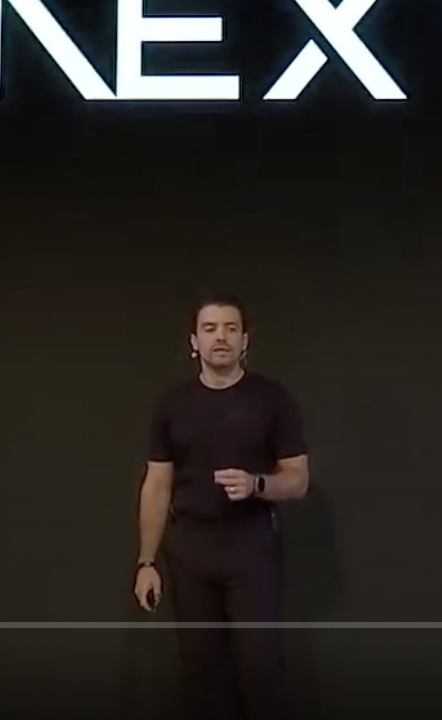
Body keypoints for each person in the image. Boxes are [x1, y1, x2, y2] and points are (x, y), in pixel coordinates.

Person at [134, 295, 310, 720]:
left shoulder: (271, 399)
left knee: (261, 669)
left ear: (245, 340)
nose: (221, 337)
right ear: (194, 341)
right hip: (190, 550)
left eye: (231, 329)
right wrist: (146, 561)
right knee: (203, 673)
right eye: (210, 329)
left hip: (250, 547)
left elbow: (298, 479)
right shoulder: (172, 405)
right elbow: (157, 485)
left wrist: (257, 484)